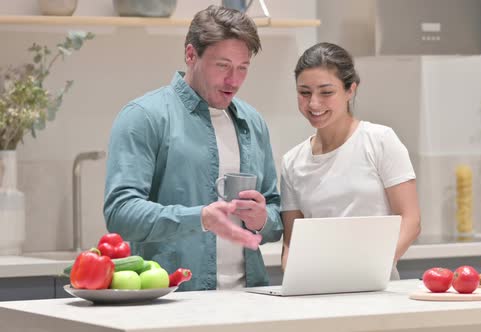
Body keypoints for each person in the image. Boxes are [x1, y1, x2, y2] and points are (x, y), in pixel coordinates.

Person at [103, 5, 282, 291]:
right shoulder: (144, 116)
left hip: (251, 298)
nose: (234, 81)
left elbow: (275, 209)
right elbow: (120, 214)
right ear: (190, 55)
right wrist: (200, 218)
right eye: (222, 66)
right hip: (172, 299)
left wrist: (263, 219)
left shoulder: (252, 122)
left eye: (243, 68)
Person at [280, 42, 421, 278]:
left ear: (350, 90)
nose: (314, 103)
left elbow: (411, 220)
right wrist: (296, 277)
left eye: (326, 92)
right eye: (304, 92)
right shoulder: (292, 162)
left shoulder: (380, 141)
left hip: (376, 289)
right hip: (317, 292)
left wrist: (373, 268)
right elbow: (291, 242)